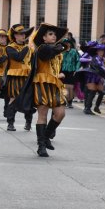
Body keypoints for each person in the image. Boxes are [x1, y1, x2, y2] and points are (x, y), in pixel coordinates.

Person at [16, 23, 68, 157]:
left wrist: (60, 74)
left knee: (60, 113)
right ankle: (41, 146)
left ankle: (45, 136)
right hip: (42, 83)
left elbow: (56, 66)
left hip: (55, 85)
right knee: (42, 115)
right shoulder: (42, 48)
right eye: (50, 34)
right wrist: (62, 47)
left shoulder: (57, 51)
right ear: (44, 38)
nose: (54, 36)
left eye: (55, 34)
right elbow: (46, 55)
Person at [5, 24, 34, 132]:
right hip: (15, 76)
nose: (23, 36)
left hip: (28, 76)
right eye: (21, 34)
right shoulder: (10, 47)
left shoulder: (29, 48)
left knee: (29, 99)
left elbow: (32, 61)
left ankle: (28, 122)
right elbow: (18, 57)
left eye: (24, 34)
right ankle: (10, 123)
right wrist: (27, 47)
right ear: (15, 35)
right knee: (13, 98)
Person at [60, 37, 80, 109]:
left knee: (71, 87)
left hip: (72, 71)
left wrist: (77, 70)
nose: (66, 44)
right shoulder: (61, 51)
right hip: (63, 71)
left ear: (70, 44)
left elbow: (78, 60)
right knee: (64, 87)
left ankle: (70, 102)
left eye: (67, 43)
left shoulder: (74, 51)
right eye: (65, 43)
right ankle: (64, 100)